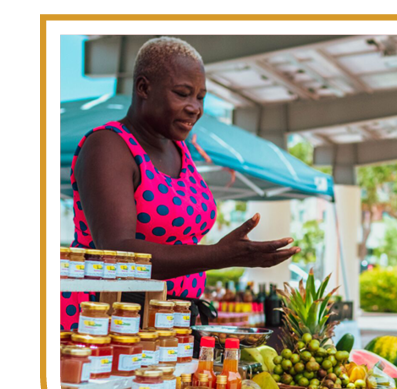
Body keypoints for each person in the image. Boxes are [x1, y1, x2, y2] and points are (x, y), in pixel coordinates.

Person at [61, 37, 299, 331]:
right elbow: (117, 252)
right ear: (143, 88)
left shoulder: (180, 150)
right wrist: (220, 255)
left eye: (200, 97)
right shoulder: (108, 146)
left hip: (168, 322)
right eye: (182, 94)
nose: (194, 108)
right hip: (105, 322)